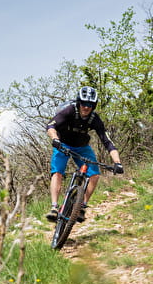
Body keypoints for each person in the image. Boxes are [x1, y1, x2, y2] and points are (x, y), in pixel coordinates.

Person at [45, 86, 123, 223]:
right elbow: (51, 126)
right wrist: (55, 139)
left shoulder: (94, 119)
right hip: (62, 144)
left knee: (94, 174)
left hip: (82, 147)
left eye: (90, 105)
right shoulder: (69, 111)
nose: (86, 107)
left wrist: (117, 163)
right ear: (78, 102)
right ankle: (54, 207)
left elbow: (108, 142)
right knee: (57, 172)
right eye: (84, 103)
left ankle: (81, 206)